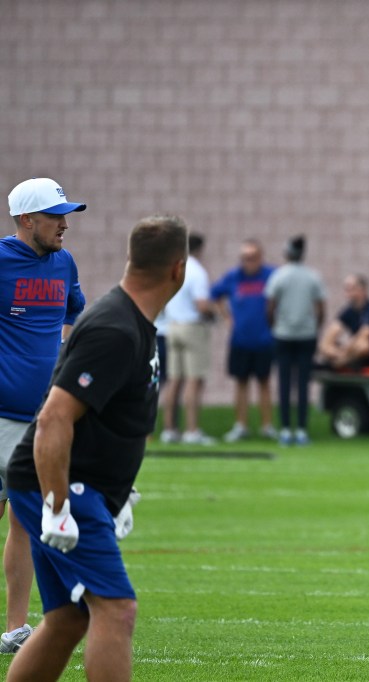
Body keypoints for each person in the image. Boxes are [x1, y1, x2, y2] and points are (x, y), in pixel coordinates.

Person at [4, 214, 188, 682]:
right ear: (179, 270)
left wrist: (118, 493)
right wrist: (59, 504)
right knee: (117, 609)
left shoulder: (136, 323)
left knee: (68, 617)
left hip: (73, 486)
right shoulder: (115, 329)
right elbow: (53, 418)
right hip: (63, 486)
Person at [0, 178, 87, 654]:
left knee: (24, 518)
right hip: (0, 417)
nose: (65, 225)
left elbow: (75, 311)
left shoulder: (64, 262)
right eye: (56, 216)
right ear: (27, 220)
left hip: (42, 418)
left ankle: (15, 628)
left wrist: (62, 360)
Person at [211, 239, 277, 443]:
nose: (248, 262)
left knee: (264, 382)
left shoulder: (271, 275)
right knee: (241, 383)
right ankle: (241, 425)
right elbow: (215, 295)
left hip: (264, 339)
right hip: (240, 340)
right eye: (245, 258)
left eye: (252, 258)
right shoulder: (233, 277)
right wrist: (227, 317)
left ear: (260, 258)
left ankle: (267, 426)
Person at [265, 235, 326, 446]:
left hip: (283, 335)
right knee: (302, 385)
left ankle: (284, 429)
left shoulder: (278, 276)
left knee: (284, 384)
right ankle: (301, 429)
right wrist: (314, 327)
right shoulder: (313, 277)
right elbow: (320, 309)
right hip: (306, 335)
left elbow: (270, 306)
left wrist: (274, 326)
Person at [160, 232, 216, 446]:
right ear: (200, 249)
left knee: (174, 380)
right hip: (192, 327)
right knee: (194, 379)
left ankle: (169, 429)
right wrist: (213, 313)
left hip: (172, 326)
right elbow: (202, 304)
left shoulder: (176, 268)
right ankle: (192, 430)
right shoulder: (198, 272)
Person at [317, 274, 369, 370]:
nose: (347, 293)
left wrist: (343, 353)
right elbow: (332, 332)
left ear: (362, 290)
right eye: (346, 289)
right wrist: (331, 349)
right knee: (326, 345)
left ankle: (339, 363)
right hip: (351, 354)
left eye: (350, 288)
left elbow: (364, 335)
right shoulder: (349, 311)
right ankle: (343, 362)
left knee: (363, 344)